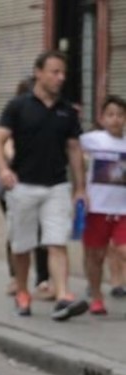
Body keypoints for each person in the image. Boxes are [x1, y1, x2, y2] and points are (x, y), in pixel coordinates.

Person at [0, 50, 89, 321]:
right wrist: (3, 169)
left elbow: (74, 149)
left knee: (57, 242)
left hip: (57, 186)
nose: (61, 78)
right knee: (22, 246)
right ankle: (23, 293)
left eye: (63, 73)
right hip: (23, 186)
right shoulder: (18, 106)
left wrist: (80, 188)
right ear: (39, 73)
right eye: (55, 72)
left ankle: (63, 296)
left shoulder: (67, 111)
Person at [0, 79, 52, 300]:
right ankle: (15, 278)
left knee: (42, 232)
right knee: (18, 230)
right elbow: (9, 150)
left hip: (43, 184)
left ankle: (43, 280)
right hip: (14, 186)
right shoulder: (15, 119)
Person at [78, 94, 126, 315]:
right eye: (110, 115)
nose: (115, 119)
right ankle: (97, 296)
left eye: (120, 115)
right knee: (95, 256)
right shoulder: (93, 139)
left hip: (122, 211)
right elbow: (71, 148)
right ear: (102, 118)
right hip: (97, 209)